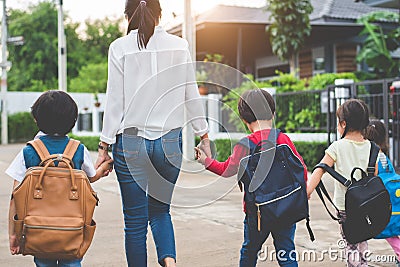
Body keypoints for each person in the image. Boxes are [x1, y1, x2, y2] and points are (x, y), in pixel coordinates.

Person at [95, 1, 210, 266]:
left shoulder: (119, 48)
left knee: (135, 222)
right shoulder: (179, 45)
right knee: (161, 212)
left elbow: (115, 101)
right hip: (170, 141)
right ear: (159, 14)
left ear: (128, 14)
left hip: (132, 142)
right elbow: (190, 92)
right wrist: (203, 135)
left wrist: (104, 146)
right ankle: (169, 262)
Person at [196, 89, 307, 267]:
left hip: (258, 213)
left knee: (250, 251)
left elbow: (227, 170)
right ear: (273, 113)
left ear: (244, 120)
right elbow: (301, 168)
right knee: (287, 253)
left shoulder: (245, 145)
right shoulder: (283, 139)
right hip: (286, 209)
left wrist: (205, 160)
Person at [6, 90, 113, 267]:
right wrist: (104, 167)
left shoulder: (28, 151)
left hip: (39, 231)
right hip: (73, 229)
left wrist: (14, 235)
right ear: (73, 122)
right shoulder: (78, 149)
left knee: (43, 262)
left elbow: (14, 197)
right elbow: (91, 177)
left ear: (36, 119)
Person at [307, 99, 372, 267]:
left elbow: (320, 169)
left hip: (345, 207)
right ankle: (363, 263)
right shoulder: (372, 148)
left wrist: (307, 191)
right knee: (363, 239)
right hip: (367, 205)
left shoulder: (337, 147)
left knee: (350, 243)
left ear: (343, 124)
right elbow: (376, 177)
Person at [365, 120, 400, 266]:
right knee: (393, 230)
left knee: (389, 231)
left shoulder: (371, 156)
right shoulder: (383, 156)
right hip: (393, 201)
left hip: (382, 202)